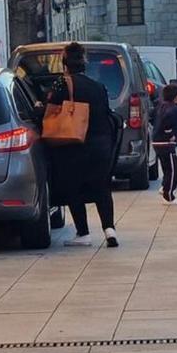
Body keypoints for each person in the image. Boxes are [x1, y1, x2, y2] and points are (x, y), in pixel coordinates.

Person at [44, 42, 120, 248]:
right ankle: (109, 229)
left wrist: (38, 107)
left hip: (74, 144)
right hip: (101, 144)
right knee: (102, 187)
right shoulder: (98, 87)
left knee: (73, 186)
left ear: (65, 62)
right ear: (84, 62)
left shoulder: (62, 84)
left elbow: (50, 111)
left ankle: (83, 233)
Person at [153, 84, 177, 204]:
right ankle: (169, 195)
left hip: (157, 142)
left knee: (166, 167)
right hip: (166, 142)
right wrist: (170, 133)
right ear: (176, 97)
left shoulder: (161, 106)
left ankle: (164, 187)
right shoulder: (173, 109)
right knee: (173, 169)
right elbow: (167, 122)